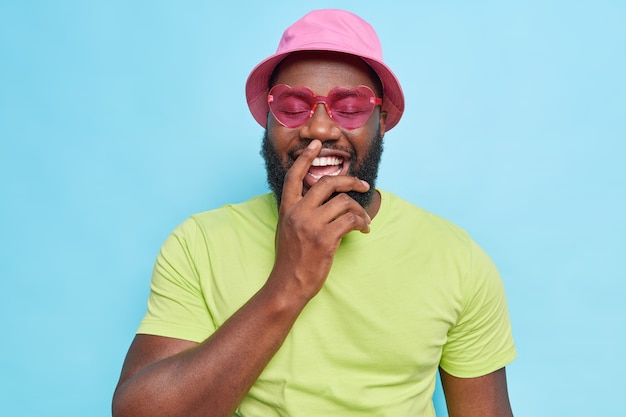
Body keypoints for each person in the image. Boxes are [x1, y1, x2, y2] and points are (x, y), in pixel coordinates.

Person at [112, 9, 516, 417]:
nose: (319, 129)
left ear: (383, 119)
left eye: (350, 106)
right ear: (267, 120)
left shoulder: (455, 259)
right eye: (292, 106)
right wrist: (289, 283)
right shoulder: (199, 244)